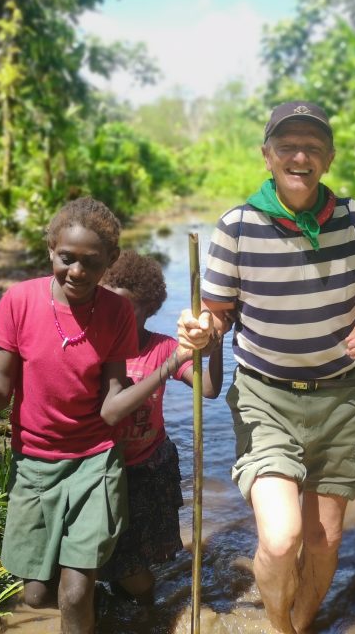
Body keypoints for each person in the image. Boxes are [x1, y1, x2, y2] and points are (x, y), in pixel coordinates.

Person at [0, 197, 168, 634]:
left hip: (95, 461)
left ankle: (88, 603)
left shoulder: (116, 313)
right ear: (51, 252)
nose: (77, 272)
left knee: (74, 592)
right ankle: (101, 610)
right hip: (35, 462)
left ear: (110, 261)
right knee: (36, 595)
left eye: (91, 263)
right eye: (66, 259)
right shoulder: (20, 301)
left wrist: (170, 365)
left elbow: (113, 403)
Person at [177, 100, 355, 634]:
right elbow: (219, 314)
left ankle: (301, 619)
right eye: (288, 146)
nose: (301, 156)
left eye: (313, 147)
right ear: (267, 155)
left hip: (340, 395)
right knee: (280, 537)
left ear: (330, 157)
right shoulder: (237, 226)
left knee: (324, 540)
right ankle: (280, 627)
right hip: (265, 396)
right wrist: (203, 330)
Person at [97, 250, 225, 603]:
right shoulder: (93, 348)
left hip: (147, 467)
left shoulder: (162, 348)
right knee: (102, 554)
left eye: (128, 309)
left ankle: (146, 612)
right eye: (109, 305)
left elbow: (210, 390)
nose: (116, 316)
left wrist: (214, 344)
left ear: (149, 309)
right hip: (102, 468)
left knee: (136, 563)